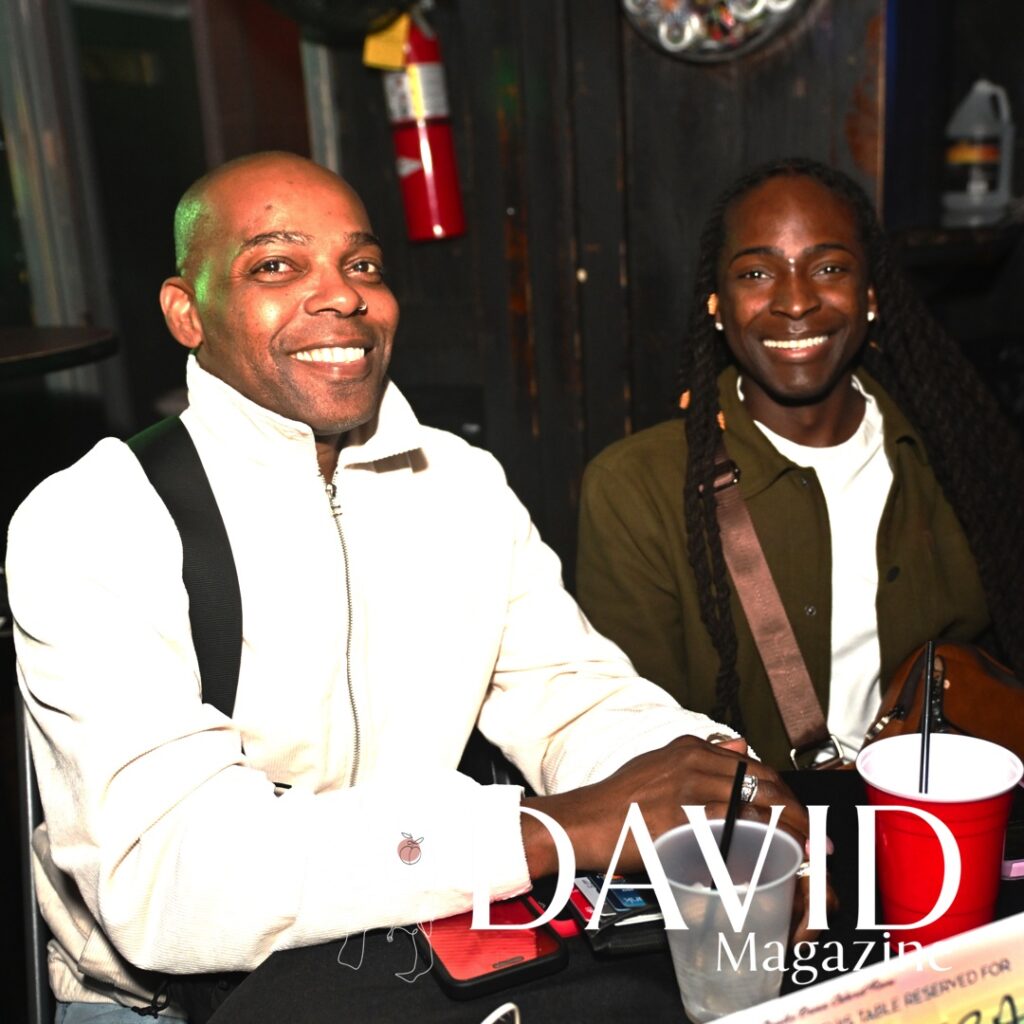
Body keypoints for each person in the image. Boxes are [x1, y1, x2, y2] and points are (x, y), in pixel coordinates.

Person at [6, 152, 808, 1021]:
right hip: (162, 1005)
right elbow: (174, 880)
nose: (341, 295)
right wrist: (552, 828)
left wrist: (708, 777)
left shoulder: (461, 484)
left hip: (402, 958)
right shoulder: (94, 520)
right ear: (186, 312)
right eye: (275, 265)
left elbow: (571, 696)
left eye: (362, 265)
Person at [577, 156, 1024, 772]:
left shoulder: (962, 463)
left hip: (939, 814)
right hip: (741, 825)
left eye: (829, 267)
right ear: (716, 304)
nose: (795, 301)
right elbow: (632, 735)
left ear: (871, 295)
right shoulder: (636, 489)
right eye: (757, 272)